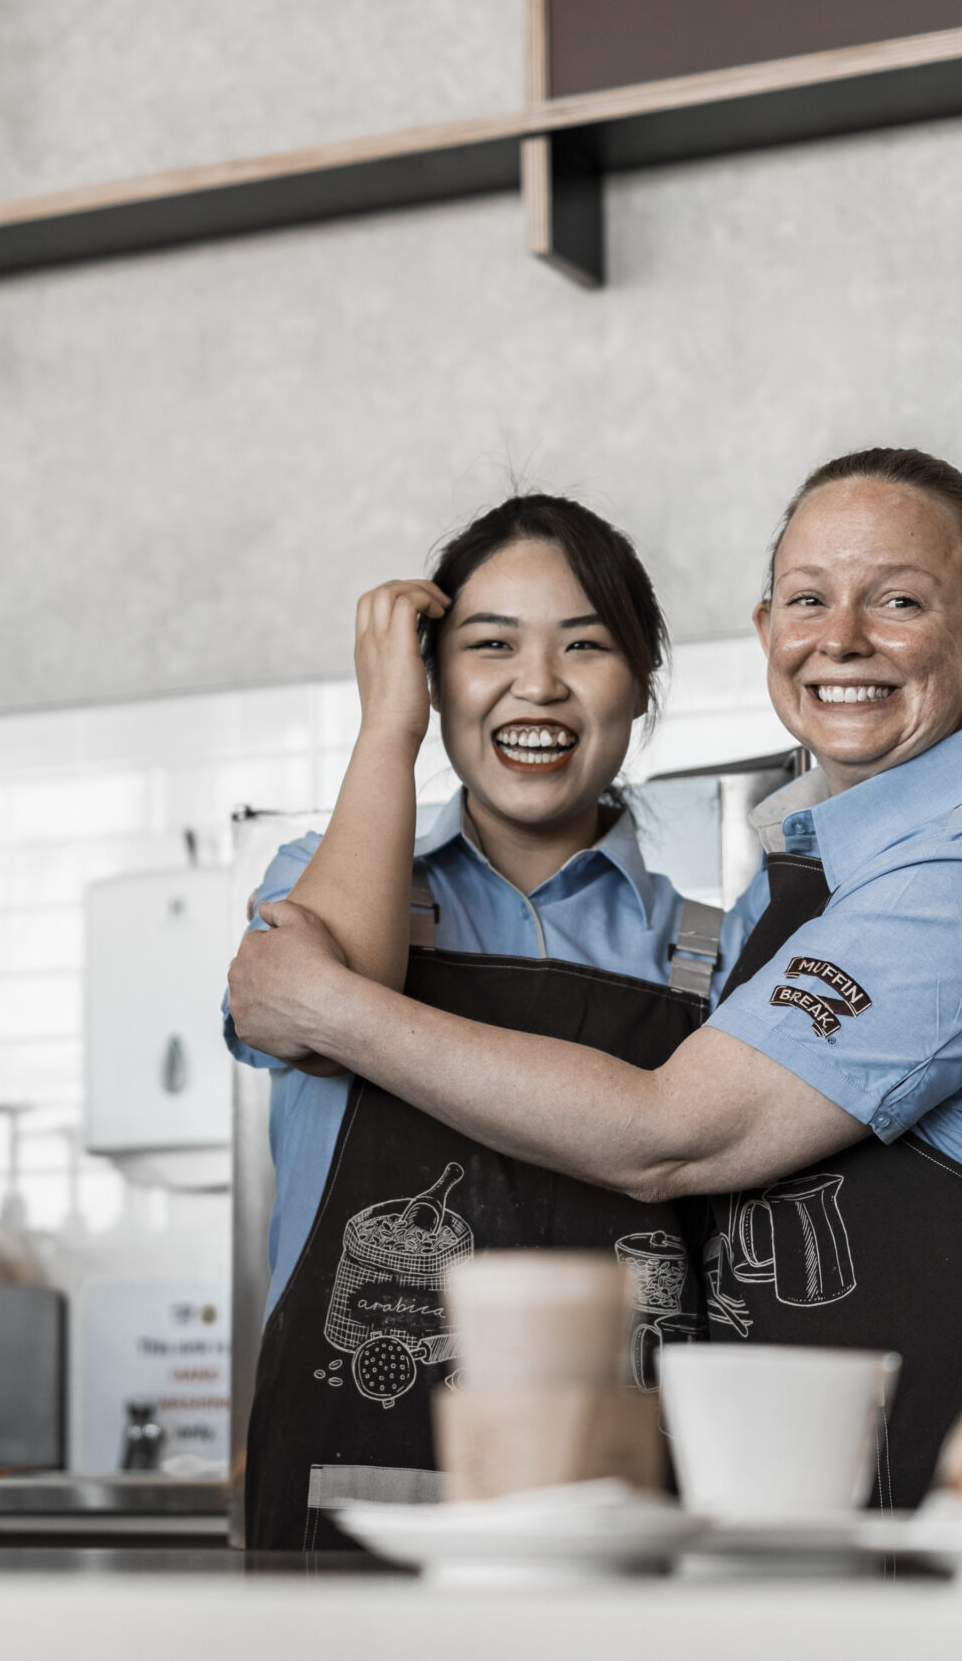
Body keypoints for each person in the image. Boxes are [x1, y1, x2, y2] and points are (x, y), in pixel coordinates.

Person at [230, 449, 962, 1504]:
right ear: (766, 630)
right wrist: (384, 730)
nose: (842, 637)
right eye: (808, 599)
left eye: (900, 600)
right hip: (379, 1497)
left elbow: (668, 1131)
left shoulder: (954, 879)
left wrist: (327, 999)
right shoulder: (797, 898)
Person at [225, 495, 726, 1550]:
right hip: (351, 1518)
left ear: (641, 684)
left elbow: (329, 997)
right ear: (433, 677)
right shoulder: (319, 892)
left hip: (624, 1527)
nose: (535, 684)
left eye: (584, 647)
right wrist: (385, 729)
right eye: (487, 646)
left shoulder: (714, 950)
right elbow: (317, 1020)